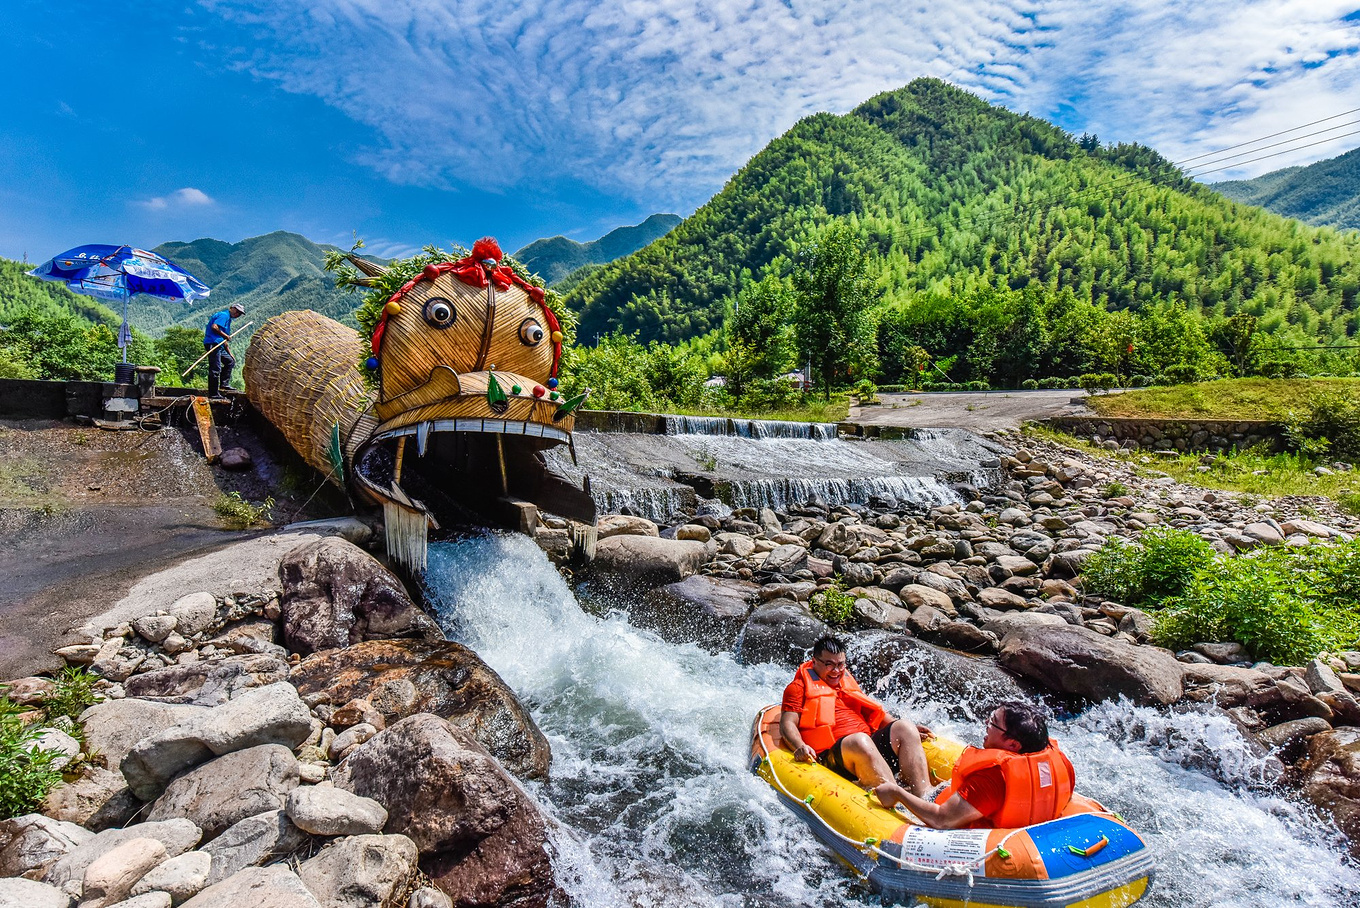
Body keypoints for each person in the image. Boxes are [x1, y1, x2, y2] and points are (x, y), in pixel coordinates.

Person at [872, 702, 1075, 829]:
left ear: (1013, 744)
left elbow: (942, 819)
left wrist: (896, 793)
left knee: (914, 792)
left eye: (993, 723)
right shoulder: (1061, 763)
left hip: (949, 812)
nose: (986, 724)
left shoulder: (990, 779)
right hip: (1008, 818)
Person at [780, 635, 934, 796]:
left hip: (866, 747)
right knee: (858, 740)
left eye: (840, 664)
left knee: (904, 726)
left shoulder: (847, 682)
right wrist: (800, 746)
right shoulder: (798, 687)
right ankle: (896, 798)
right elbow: (788, 724)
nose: (837, 671)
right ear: (814, 661)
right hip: (834, 757)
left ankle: (924, 797)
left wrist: (907, 730)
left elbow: (875, 714)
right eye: (829, 664)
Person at [204, 303, 245, 399]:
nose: (238, 314)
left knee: (230, 361)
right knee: (215, 368)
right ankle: (213, 393)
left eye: (240, 313)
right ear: (232, 308)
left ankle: (224, 384)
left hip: (219, 345)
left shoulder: (228, 319)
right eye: (237, 311)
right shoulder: (224, 315)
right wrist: (225, 336)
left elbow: (224, 341)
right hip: (213, 343)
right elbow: (214, 327)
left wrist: (230, 354)